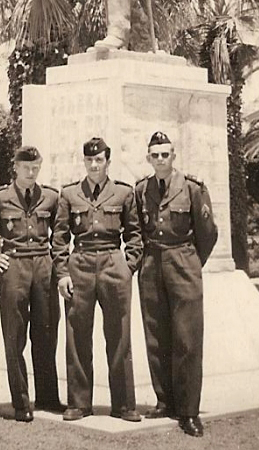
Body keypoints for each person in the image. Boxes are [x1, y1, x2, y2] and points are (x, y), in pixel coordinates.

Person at [0, 145, 63, 423]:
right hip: (14, 268)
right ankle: (21, 402)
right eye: (26, 167)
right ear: (16, 167)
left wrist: (57, 261)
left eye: (36, 168)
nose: (31, 173)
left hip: (44, 268)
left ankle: (47, 397)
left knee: (46, 334)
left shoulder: (50, 198)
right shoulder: (0, 198)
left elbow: (60, 234)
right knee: (15, 337)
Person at [52, 137, 143, 421]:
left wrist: (128, 266)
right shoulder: (69, 194)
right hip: (79, 263)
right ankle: (79, 403)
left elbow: (135, 235)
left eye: (99, 160)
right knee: (77, 335)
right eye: (89, 160)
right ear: (84, 161)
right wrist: (63, 273)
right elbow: (59, 238)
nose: (94, 165)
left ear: (107, 161)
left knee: (119, 334)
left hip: (113, 263)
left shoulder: (123, 193)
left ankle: (124, 404)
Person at [135, 131, 218, 438]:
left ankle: (188, 411)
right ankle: (164, 400)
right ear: (148, 158)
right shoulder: (141, 189)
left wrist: (191, 263)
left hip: (183, 260)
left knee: (187, 338)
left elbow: (207, 232)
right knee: (156, 335)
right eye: (155, 155)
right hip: (153, 263)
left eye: (165, 154)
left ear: (173, 156)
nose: (160, 160)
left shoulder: (193, 188)